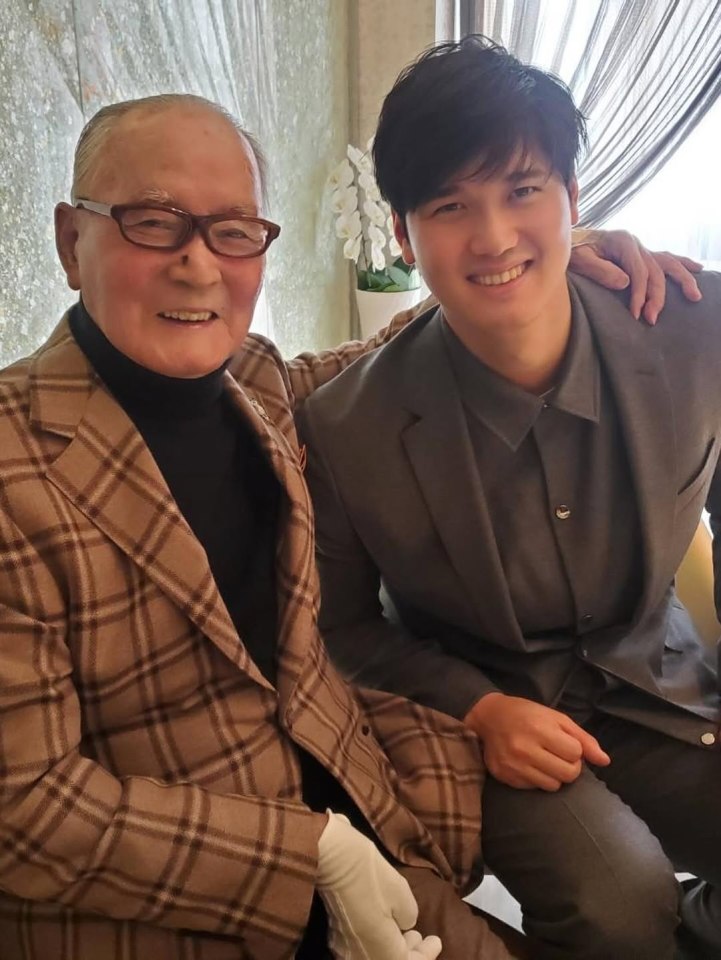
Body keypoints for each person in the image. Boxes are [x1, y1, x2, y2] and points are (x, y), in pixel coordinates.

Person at [0, 91, 697, 960]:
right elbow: (24, 808)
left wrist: (542, 252)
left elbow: (417, 346)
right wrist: (307, 857)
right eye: (152, 223)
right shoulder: (16, 460)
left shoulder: (254, 385)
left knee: (617, 911)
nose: (197, 265)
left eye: (232, 230)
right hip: (169, 890)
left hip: (361, 791)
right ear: (73, 241)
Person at [298, 36, 721, 960]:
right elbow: (342, 628)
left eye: (523, 191)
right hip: (492, 713)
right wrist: (479, 710)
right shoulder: (345, 429)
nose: (491, 238)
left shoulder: (693, 329)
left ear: (573, 199)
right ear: (405, 236)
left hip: (663, 679)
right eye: (450, 206)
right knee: (618, 906)